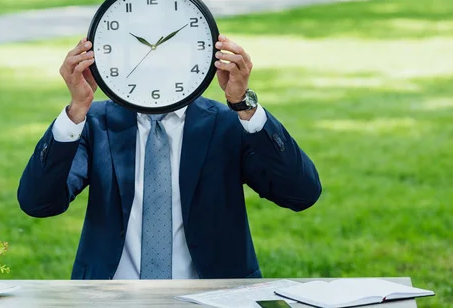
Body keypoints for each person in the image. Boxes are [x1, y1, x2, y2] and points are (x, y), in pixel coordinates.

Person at [18, 35, 321, 280]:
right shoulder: (95, 123)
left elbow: (301, 194)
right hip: (109, 298)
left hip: (213, 298)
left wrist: (245, 106)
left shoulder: (228, 124)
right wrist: (75, 111)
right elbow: (38, 203)